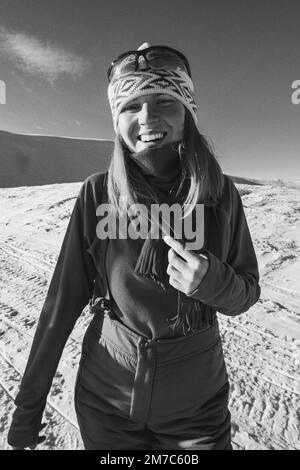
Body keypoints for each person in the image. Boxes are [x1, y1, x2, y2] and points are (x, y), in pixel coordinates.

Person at [7, 42, 260, 450]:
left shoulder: (219, 194)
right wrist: (28, 409)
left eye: (164, 100)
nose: (147, 117)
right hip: (107, 405)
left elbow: (247, 291)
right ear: (116, 118)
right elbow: (61, 305)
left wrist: (212, 282)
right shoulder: (98, 194)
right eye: (130, 106)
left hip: (197, 413)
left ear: (188, 112)